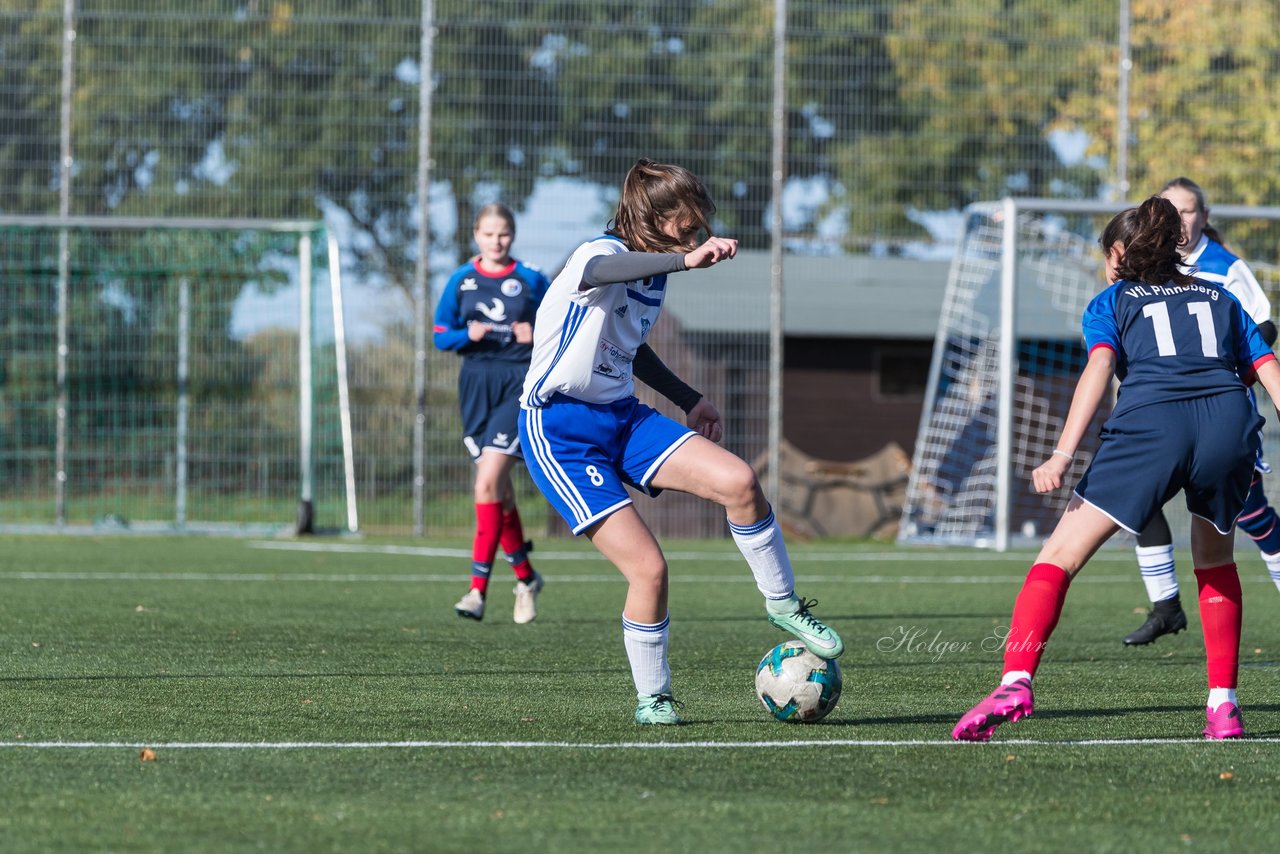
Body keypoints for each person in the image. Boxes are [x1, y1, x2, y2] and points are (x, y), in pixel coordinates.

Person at [517, 158, 843, 725]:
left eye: (698, 229)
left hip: (622, 417)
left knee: (740, 482)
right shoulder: (598, 255)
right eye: (687, 226)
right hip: (560, 430)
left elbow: (631, 346)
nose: (696, 235)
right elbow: (600, 273)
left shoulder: (655, 272)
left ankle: (784, 604)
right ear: (654, 216)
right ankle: (654, 698)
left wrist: (690, 398)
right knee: (649, 570)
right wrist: (686, 260)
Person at [952, 196, 1280, 741]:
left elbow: (1099, 370)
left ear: (1121, 252)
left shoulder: (1112, 300)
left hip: (1153, 424)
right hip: (1228, 423)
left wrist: (1060, 453)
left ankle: (1015, 681)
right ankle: (1222, 706)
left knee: (1058, 556)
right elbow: (1269, 370)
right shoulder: (1221, 298)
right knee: (1216, 561)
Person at [1123, 177, 1280, 645]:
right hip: (1161, 413)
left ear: (1204, 217)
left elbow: (1263, 326)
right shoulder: (1146, 267)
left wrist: (1229, 377)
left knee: (1248, 516)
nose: (1180, 220)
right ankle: (1166, 605)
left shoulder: (1224, 267)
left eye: (1188, 211)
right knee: (1139, 499)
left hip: (1217, 414)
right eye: (1170, 210)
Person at [433, 203, 551, 624]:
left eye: (503, 234)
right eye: (488, 234)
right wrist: (468, 335)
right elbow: (440, 334)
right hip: (475, 387)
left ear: (513, 235)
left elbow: (565, 324)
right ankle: (526, 577)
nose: (495, 241)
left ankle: (476, 592)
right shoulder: (461, 280)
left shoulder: (532, 278)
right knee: (499, 493)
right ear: (475, 235)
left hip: (517, 385)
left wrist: (537, 333)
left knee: (486, 484)